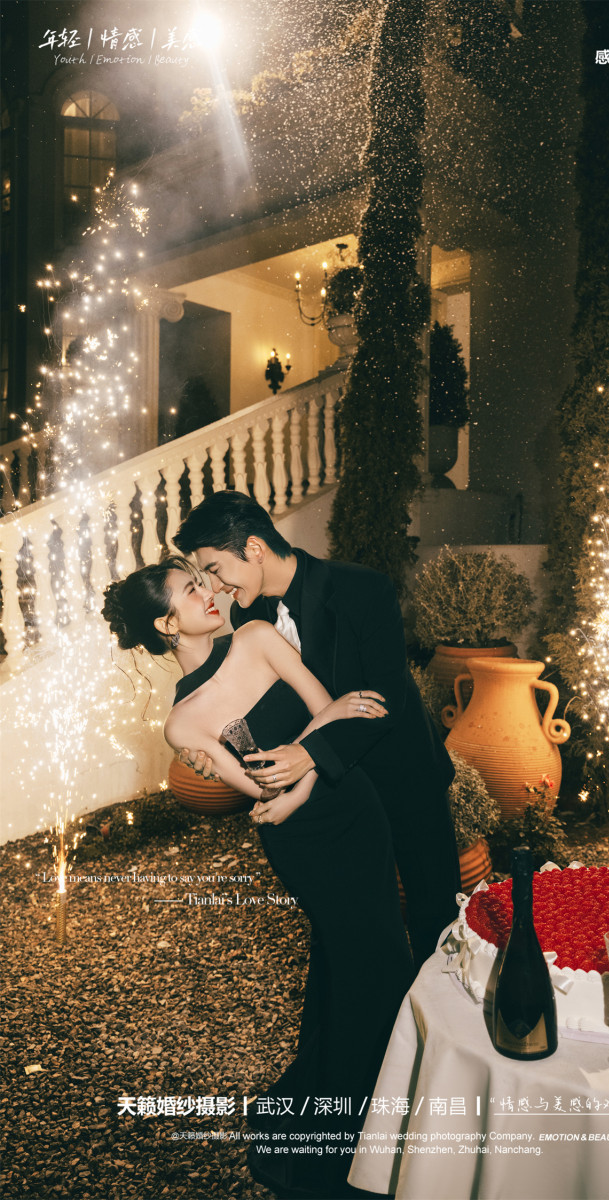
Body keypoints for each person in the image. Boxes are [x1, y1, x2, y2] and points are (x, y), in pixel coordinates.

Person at [102, 557, 415, 1199]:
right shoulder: (183, 723)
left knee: (375, 956)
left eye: (204, 582)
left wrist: (299, 780)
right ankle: (350, 1136)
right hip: (302, 843)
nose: (209, 593)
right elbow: (258, 791)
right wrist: (296, 782)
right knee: (358, 963)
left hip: (354, 810)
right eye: (191, 591)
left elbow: (327, 711)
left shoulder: (257, 636)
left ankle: (368, 1117)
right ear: (167, 625)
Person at [173, 490, 461, 969]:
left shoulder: (362, 588)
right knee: (362, 936)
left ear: (254, 549)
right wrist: (211, 752)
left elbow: (386, 700)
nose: (217, 588)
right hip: (336, 802)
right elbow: (253, 712)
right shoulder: (248, 618)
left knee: (438, 925)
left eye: (217, 570)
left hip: (403, 777)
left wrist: (308, 754)